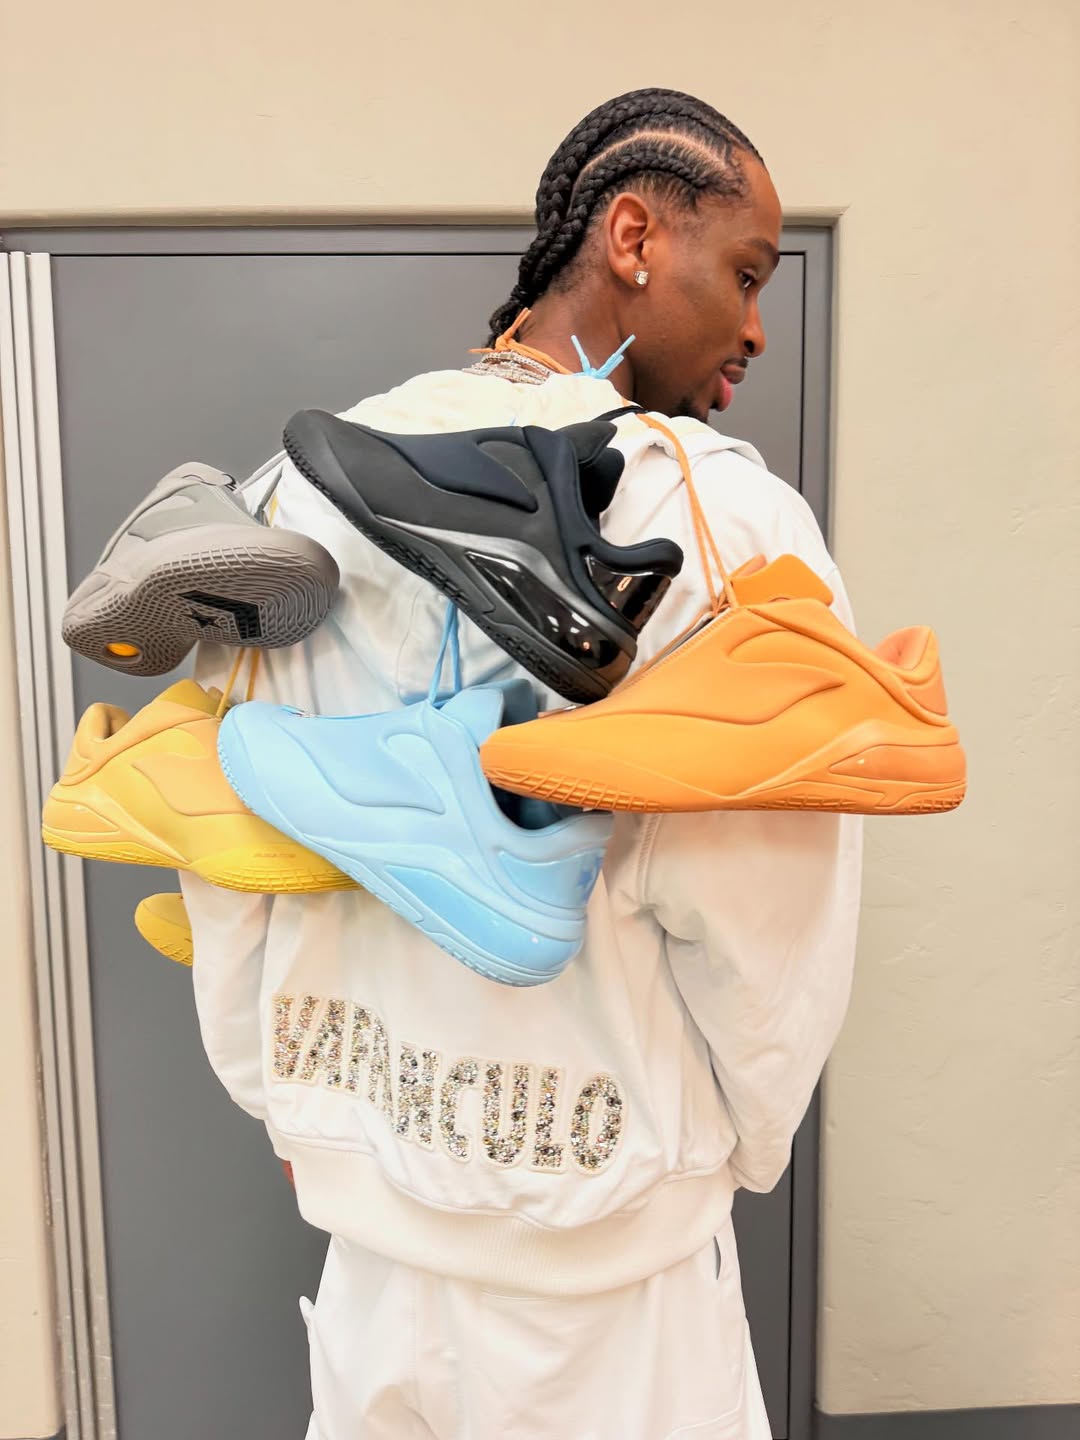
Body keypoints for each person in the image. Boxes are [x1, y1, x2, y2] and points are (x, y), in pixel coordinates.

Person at [187, 87, 861, 1439]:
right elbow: (767, 917)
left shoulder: (283, 498)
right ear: (632, 237)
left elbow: (220, 829)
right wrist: (744, 1143)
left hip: (376, 1251)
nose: (756, 327)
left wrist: (289, 1103)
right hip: (613, 1280)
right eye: (743, 274)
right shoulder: (732, 526)